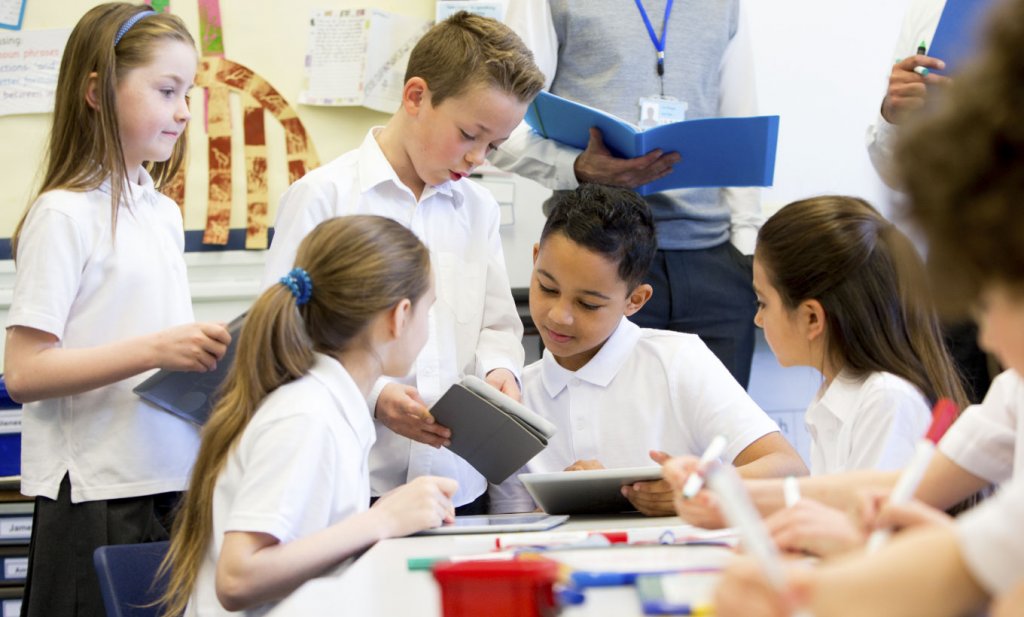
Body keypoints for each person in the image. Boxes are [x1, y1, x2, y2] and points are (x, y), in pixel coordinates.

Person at [712, 0, 1024, 611]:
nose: (983, 339)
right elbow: (959, 536)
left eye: (989, 297)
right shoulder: (1014, 391)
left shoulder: (887, 398)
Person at [260, 12, 545, 513]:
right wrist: (377, 396)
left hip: (459, 485)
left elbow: (497, 323)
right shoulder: (324, 197)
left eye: (493, 146)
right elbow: (284, 335)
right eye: (469, 134)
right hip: (356, 485)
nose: (478, 157)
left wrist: (503, 370)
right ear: (416, 97)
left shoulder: (476, 209)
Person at [1, 5, 232, 616]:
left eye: (189, 92)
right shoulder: (64, 213)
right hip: (97, 497)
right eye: (167, 90)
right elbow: (24, 374)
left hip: (170, 485)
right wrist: (158, 350)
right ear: (99, 92)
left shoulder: (157, 209)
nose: (185, 111)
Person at [159, 216, 457, 617]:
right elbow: (237, 579)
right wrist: (382, 519)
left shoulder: (329, 403)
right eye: (428, 311)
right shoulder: (306, 417)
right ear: (400, 317)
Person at [489, 0, 762, 387]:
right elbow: (503, 121)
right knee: (593, 431)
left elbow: (741, 126)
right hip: (595, 255)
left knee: (716, 442)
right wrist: (576, 167)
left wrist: (745, 250)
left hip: (712, 261)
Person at [488, 184, 806, 516]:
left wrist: (697, 486)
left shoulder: (678, 362)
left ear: (635, 300)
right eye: (547, 287)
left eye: (588, 303)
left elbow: (789, 469)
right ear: (536, 257)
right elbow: (510, 527)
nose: (559, 315)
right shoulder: (514, 395)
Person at [750, 196, 967, 476]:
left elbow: (867, 517)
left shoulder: (886, 400)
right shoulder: (838, 395)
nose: (757, 319)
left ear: (812, 318)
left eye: (762, 302)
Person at [866, 0, 996, 404]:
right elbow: (894, 174)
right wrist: (894, 115)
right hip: (958, 264)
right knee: (961, 428)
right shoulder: (930, 10)